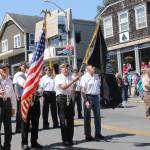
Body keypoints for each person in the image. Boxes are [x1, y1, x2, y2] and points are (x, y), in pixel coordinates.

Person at [55, 63, 79, 146]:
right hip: (61, 98)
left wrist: (74, 86)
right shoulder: (58, 77)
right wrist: (73, 81)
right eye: (64, 68)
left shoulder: (70, 77)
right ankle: (65, 139)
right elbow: (63, 87)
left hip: (69, 98)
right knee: (63, 119)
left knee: (70, 119)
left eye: (67, 68)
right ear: (60, 69)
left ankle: (70, 138)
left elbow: (72, 90)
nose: (66, 69)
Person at [21, 65, 43, 150]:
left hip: (35, 102)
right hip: (26, 103)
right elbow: (23, 85)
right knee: (25, 124)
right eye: (29, 68)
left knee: (35, 123)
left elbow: (41, 88)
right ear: (27, 70)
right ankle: (24, 143)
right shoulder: (22, 77)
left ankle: (34, 142)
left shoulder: (37, 78)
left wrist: (37, 92)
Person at [80, 65, 104, 141]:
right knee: (87, 117)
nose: (94, 68)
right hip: (88, 97)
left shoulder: (96, 76)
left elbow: (99, 87)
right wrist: (86, 100)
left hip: (96, 97)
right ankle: (88, 135)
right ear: (88, 69)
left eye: (94, 67)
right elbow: (83, 90)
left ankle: (98, 133)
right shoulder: (84, 77)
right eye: (92, 67)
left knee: (97, 116)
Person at [0, 63, 16, 150]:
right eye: (3, 69)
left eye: (7, 69)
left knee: (8, 128)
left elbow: (13, 95)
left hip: (8, 103)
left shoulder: (9, 80)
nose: (5, 70)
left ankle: (7, 146)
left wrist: (14, 107)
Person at [13, 62, 27, 133]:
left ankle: (21, 127)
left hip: (24, 96)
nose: (25, 68)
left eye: (26, 67)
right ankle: (19, 128)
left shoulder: (24, 74)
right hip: (20, 95)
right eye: (24, 66)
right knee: (20, 113)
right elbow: (16, 85)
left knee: (23, 112)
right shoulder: (18, 74)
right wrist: (17, 95)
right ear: (20, 67)